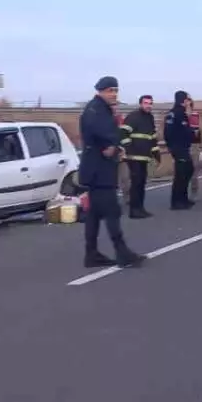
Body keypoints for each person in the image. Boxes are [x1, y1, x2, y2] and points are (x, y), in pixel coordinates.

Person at [78, 76, 146, 268]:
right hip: (99, 170)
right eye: (109, 91)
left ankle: (91, 254)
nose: (113, 94)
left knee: (94, 214)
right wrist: (112, 146)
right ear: (100, 91)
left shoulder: (100, 109)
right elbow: (104, 134)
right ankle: (122, 253)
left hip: (97, 169)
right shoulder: (96, 110)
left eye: (115, 90)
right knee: (112, 211)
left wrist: (114, 147)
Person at [122, 94, 160, 218]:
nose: (148, 106)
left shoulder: (150, 118)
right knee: (136, 183)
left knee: (141, 183)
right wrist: (129, 149)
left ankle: (140, 208)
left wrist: (156, 153)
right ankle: (134, 210)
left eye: (150, 103)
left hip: (145, 157)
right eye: (146, 103)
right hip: (134, 157)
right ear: (140, 104)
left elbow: (152, 137)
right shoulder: (133, 117)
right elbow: (122, 133)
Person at [164, 90, 197, 210]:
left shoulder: (179, 113)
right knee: (181, 174)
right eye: (188, 99)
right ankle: (176, 202)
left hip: (181, 147)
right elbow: (178, 132)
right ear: (184, 100)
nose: (189, 102)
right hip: (179, 147)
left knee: (188, 171)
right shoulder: (177, 113)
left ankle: (183, 198)